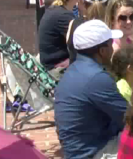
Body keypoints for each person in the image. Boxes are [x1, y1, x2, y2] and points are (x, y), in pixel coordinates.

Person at [54, 20, 127, 159]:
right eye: (111, 42)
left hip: (79, 150)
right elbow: (132, 119)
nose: (113, 47)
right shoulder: (97, 78)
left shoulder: (73, 71)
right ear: (102, 51)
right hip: (93, 152)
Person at [38, 0, 85, 76]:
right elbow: (85, 44)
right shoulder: (64, 17)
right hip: (55, 68)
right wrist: (84, 11)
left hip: (50, 62)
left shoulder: (55, 10)